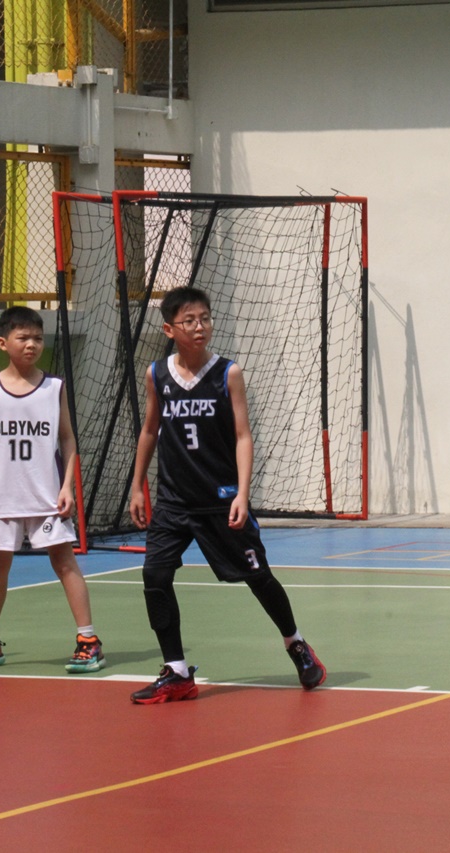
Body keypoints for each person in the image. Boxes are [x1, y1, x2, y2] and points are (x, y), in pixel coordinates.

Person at [127, 286, 326, 704]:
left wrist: (241, 493)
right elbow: (149, 430)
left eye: (205, 318)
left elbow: (242, 435)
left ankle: (296, 643)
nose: (199, 327)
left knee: (257, 576)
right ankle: (177, 671)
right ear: (169, 329)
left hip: (220, 499)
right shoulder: (156, 374)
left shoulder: (227, 373)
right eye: (189, 321)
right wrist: (137, 486)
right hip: (173, 502)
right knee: (155, 577)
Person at [0, 306, 105, 673]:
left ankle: (89, 640)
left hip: (46, 496)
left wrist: (67, 487)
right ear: (3, 343)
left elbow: (68, 439)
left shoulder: (54, 388)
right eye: (23, 338)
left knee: (64, 561)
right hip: (3, 496)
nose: (31, 344)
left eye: (37, 338)